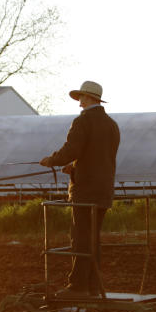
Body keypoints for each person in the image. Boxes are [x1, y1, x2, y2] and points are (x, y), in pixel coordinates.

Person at [39, 81, 120, 297]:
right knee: (93, 238)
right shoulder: (112, 125)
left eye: (81, 97)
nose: (79, 102)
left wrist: (52, 160)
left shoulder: (82, 122)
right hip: (103, 191)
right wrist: (74, 167)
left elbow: (72, 149)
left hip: (84, 191)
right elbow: (98, 156)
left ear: (88, 98)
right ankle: (93, 285)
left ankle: (77, 286)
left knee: (80, 237)